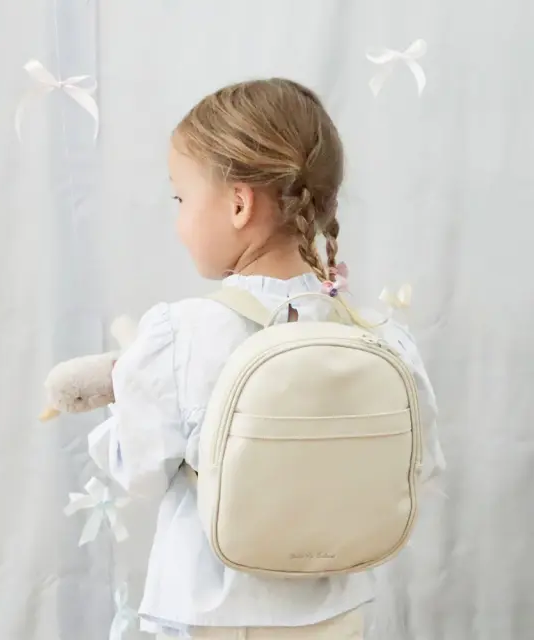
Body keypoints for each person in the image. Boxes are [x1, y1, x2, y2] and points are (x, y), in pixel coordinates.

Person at [95, 79, 445, 639]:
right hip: (337, 612)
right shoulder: (381, 337)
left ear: (239, 204)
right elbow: (420, 469)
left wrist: (126, 390)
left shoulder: (181, 334)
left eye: (181, 199)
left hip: (210, 613)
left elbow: (137, 473)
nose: (179, 222)